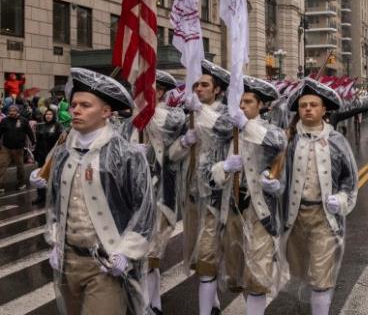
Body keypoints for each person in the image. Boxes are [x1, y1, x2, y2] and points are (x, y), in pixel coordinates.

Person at [29, 68, 154, 314]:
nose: (75, 110)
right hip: (68, 261)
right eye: (74, 104)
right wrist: (56, 241)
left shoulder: (126, 155)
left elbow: (145, 210)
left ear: (106, 112)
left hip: (105, 265)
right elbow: (54, 204)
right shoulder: (64, 152)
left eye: (85, 105)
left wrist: (126, 253)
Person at [210, 76, 287, 315]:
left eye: (249, 102)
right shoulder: (228, 135)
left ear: (262, 105)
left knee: (257, 275)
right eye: (240, 102)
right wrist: (224, 168)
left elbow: (280, 143)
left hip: (259, 212)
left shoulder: (270, 131)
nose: (242, 107)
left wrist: (246, 126)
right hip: (232, 209)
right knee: (237, 272)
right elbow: (210, 172)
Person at [281, 78, 358, 315]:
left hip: (324, 218)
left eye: (314, 105)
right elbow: (275, 170)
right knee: (296, 270)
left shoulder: (336, 141)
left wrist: (342, 200)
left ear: (324, 109)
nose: (308, 109)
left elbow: (350, 179)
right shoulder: (288, 139)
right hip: (294, 217)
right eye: (303, 105)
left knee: (321, 276)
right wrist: (272, 184)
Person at [168, 60, 234, 315]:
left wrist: (199, 112)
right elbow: (172, 156)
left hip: (217, 198)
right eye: (195, 85)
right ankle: (213, 300)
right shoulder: (190, 117)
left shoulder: (226, 114)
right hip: (192, 198)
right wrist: (184, 141)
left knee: (206, 256)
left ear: (217, 90)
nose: (198, 89)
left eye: (204, 85)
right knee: (199, 257)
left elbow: (224, 128)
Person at [127, 70, 186, 315]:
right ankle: (140, 302)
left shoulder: (165, 118)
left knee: (151, 251)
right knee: (132, 253)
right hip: (129, 197)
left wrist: (183, 143)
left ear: (159, 92)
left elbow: (172, 154)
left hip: (158, 193)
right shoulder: (127, 120)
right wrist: (131, 152)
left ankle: (153, 303)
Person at [0, 105, 35, 192]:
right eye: (10, 110)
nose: (11, 112)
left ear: (17, 111)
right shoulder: (4, 121)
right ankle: (0, 185)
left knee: (20, 167)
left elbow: (29, 132)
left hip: (19, 148)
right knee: (1, 166)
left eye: (13, 110)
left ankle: (21, 183)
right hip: (6, 148)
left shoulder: (23, 120)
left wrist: (33, 141)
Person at [32, 109, 63, 205]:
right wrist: (35, 153)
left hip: (53, 154)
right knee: (41, 175)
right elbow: (38, 141)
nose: (48, 116)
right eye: (47, 114)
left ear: (53, 115)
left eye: (50, 114)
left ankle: (55, 196)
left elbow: (61, 141)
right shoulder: (40, 126)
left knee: (54, 176)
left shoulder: (58, 126)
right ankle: (41, 196)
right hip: (42, 154)